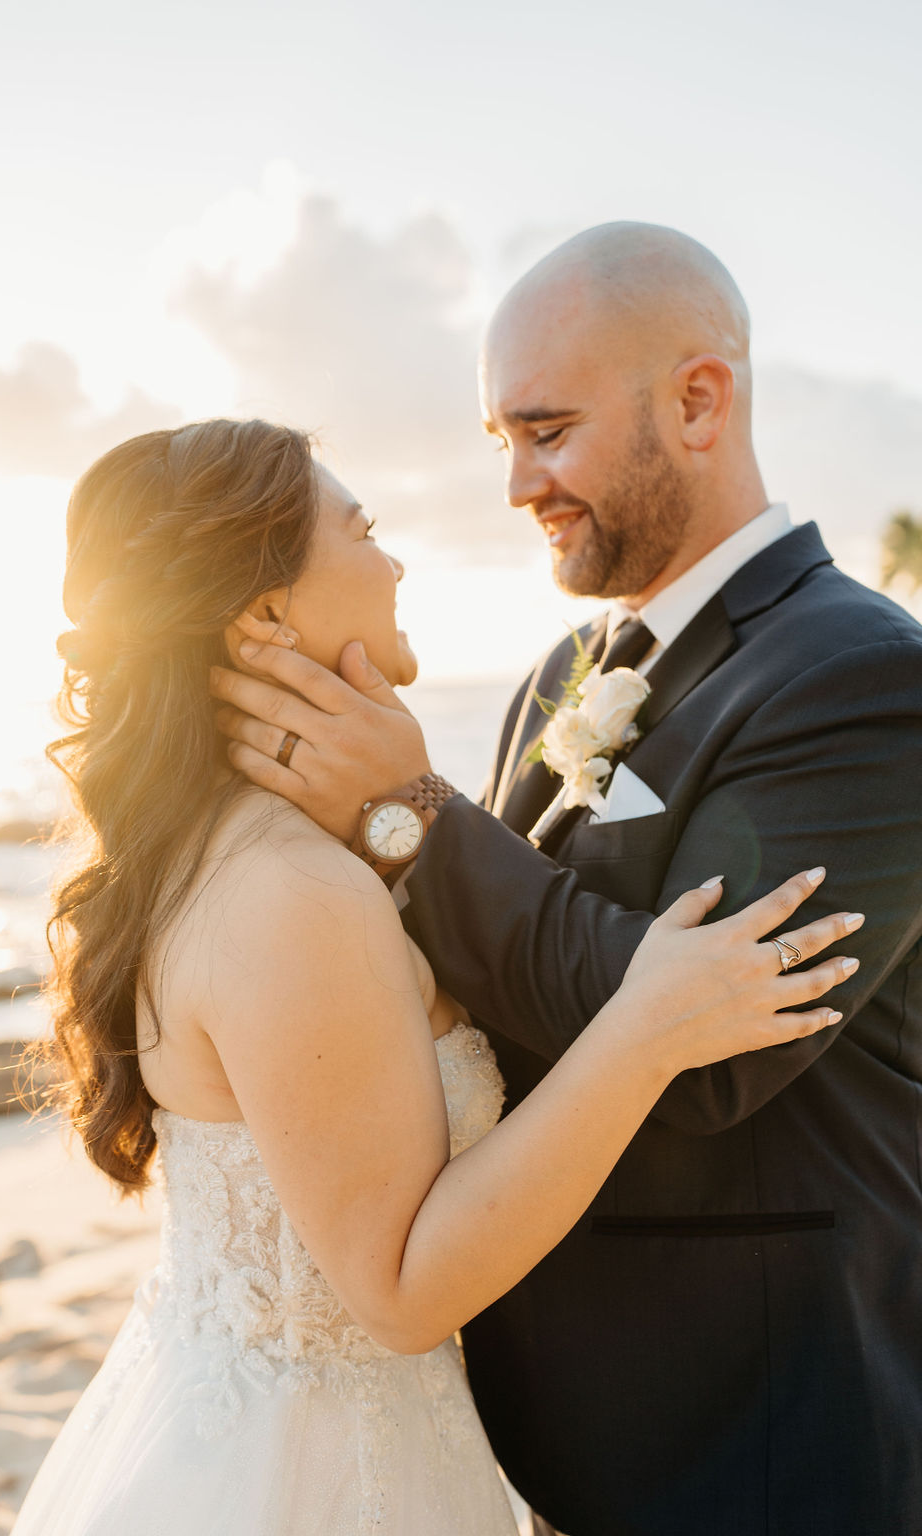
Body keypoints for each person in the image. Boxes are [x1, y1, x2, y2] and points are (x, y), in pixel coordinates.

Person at [11, 418, 855, 1536]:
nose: (394, 560)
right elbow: (400, 1291)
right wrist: (644, 1025)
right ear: (265, 616)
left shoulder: (233, 848)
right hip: (316, 1478)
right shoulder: (291, 891)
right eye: (361, 530)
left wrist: (400, 812)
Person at [211, 225, 922, 1536]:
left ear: (700, 400)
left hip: (766, 1448)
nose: (518, 483)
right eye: (501, 442)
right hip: (569, 1456)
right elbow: (500, 974)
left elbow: (706, 1044)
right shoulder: (560, 674)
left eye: (546, 431)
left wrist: (406, 812)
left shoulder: (868, 679)